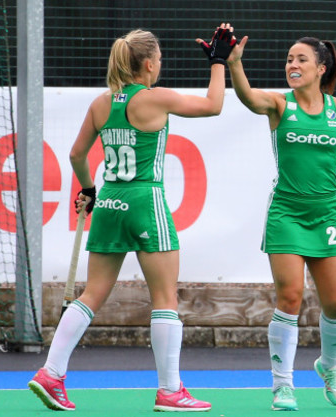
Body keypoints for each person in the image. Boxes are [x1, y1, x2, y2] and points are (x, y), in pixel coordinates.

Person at [28, 24, 237, 412]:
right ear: (147, 64)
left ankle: (51, 373)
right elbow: (214, 105)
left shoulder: (102, 104)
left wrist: (89, 190)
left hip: (109, 202)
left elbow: (76, 154)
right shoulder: (153, 99)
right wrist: (219, 62)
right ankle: (170, 390)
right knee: (165, 298)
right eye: (158, 60)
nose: (160, 66)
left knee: (91, 295)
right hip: (145, 199)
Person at [226, 35, 336, 411]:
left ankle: (329, 366)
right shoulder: (278, 104)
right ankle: (283, 386)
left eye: (301, 59)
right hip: (286, 213)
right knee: (289, 297)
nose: (293, 65)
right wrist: (234, 62)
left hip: (326, 215)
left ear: (320, 68)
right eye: (289, 59)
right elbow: (247, 97)